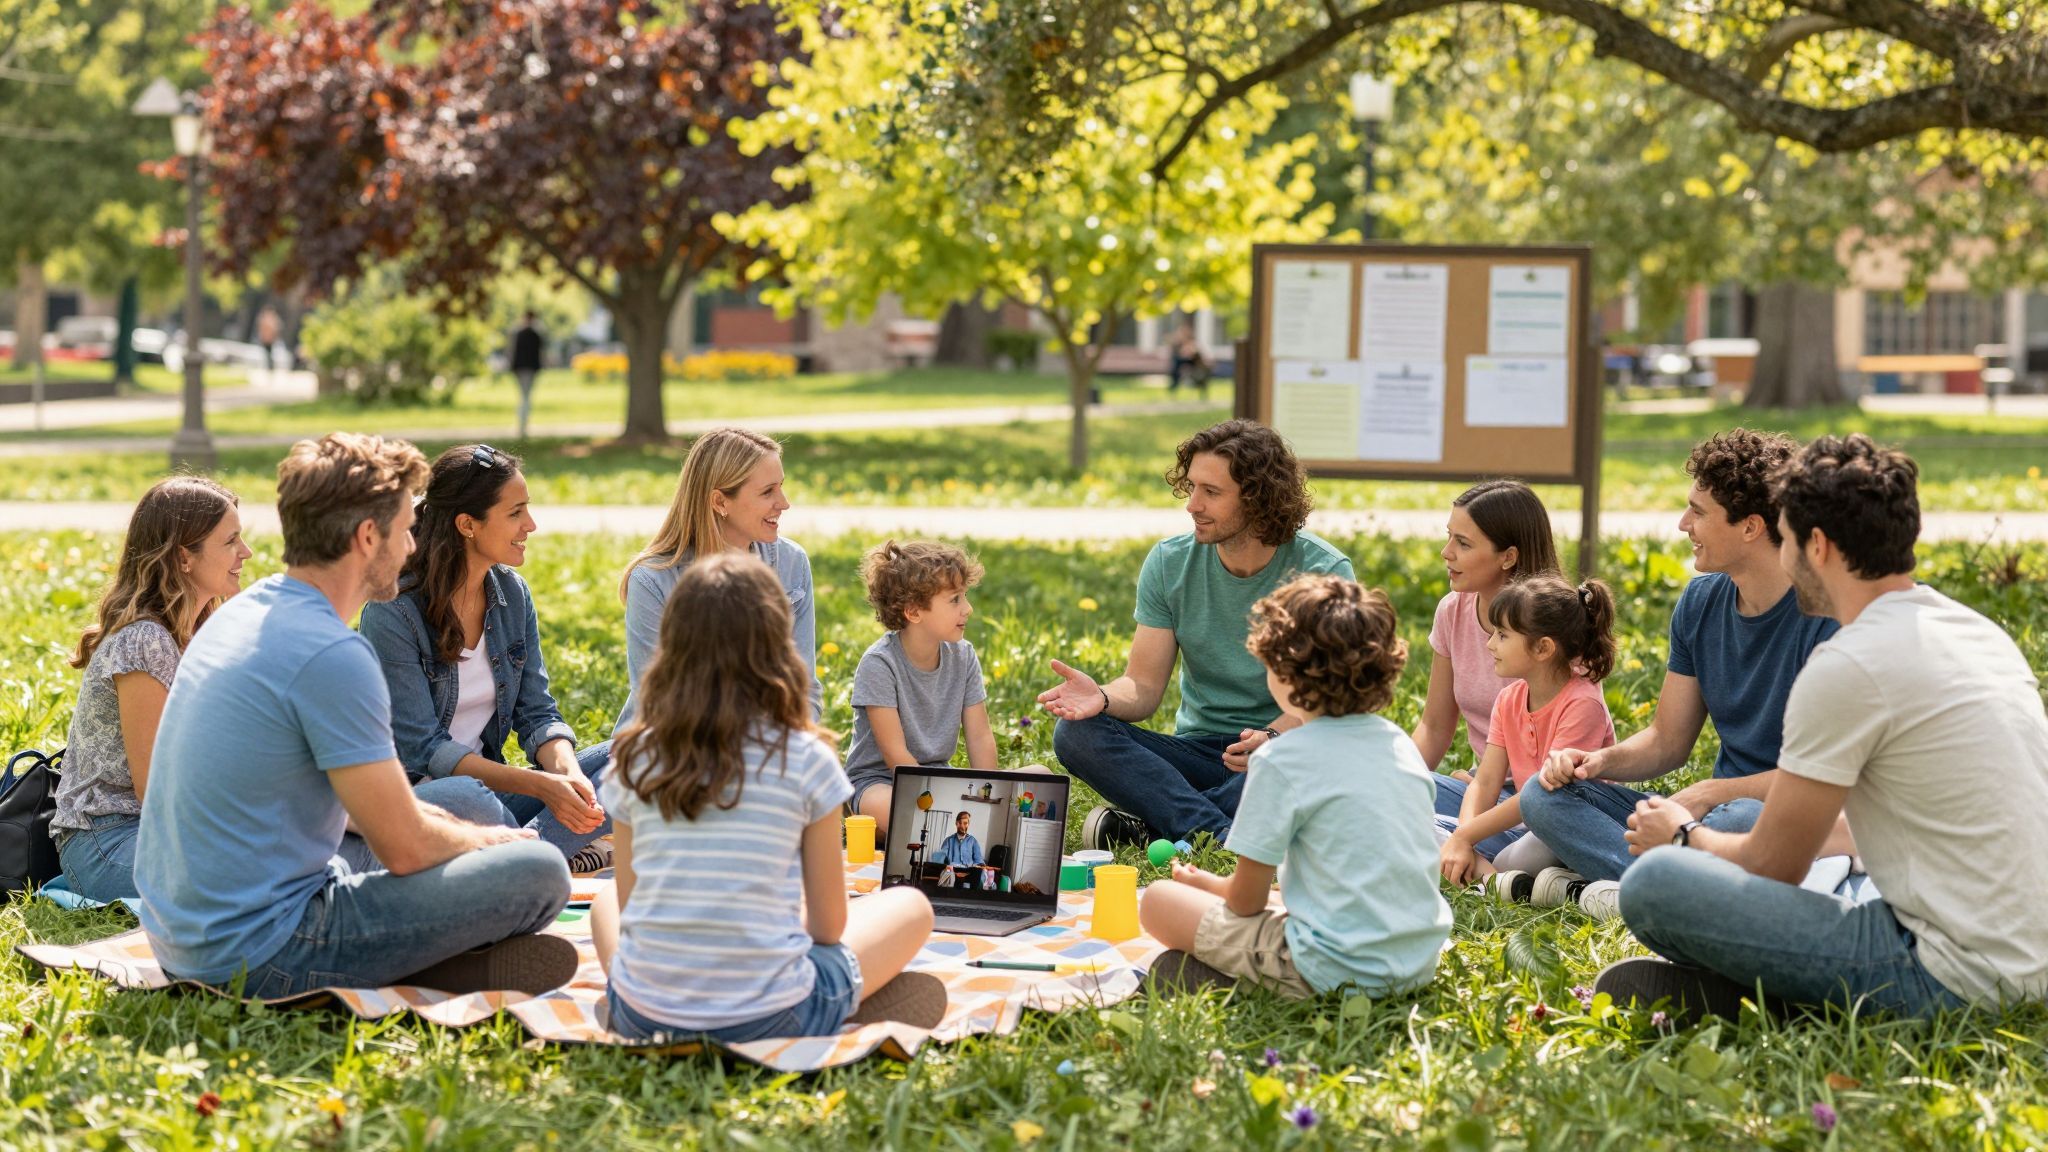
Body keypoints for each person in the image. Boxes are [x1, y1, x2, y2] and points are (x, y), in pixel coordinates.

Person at [1600, 434, 2048, 1020]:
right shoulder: (1974, 631)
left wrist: (1685, 835)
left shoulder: (1847, 664)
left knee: (1653, 885)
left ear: (1816, 546)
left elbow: (1773, 866)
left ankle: (1793, 1001)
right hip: (2027, 953)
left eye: (1785, 537)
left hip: (1951, 973)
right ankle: (1770, 996)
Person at [135, 433, 574, 999]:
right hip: (262, 951)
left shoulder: (241, 614)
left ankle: (422, 959)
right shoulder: (333, 654)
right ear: (369, 537)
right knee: (540, 871)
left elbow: (353, 807)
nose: (414, 546)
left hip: (179, 935)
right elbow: (406, 846)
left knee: (457, 806)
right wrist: (500, 845)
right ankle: (411, 963)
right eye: (405, 529)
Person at [591, 552, 937, 1043]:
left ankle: (645, 1002)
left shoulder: (634, 756)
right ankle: (855, 1001)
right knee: (910, 906)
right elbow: (829, 928)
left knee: (605, 899)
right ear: (778, 646)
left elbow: (630, 908)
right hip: (777, 1016)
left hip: (644, 1015)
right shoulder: (806, 758)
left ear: (673, 646)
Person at [1519, 429, 1838, 913]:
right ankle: (1665, 885)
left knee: (1745, 816)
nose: (1682, 523)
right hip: (1705, 822)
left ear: (1751, 527)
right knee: (1541, 797)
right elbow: (1668, 741)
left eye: (1699, 512)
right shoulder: (1700, 602)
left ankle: (1635, 884)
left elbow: (1821, 778)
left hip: (1771, 816)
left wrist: (1712, 793)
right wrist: (1596, 762)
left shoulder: (1825, 618)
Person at [1041, 420, 1354, 848]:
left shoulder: (1324, 571)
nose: (1192, 505)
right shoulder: (1170, 562)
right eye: (1191, 488)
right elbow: (1144, 686)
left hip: (1281, 750)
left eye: (1212, 491)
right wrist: (1104, 698)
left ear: (1259, 498)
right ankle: (1219, 832)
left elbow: (1328, 699)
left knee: (1312, 764)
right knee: (1078, 735)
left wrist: (1275, 738)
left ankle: (1165, 824)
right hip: (1198, 752)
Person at [1139, 574, 1450, 998]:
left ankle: (1237, 982)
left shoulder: (1280, 759)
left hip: (1337, 970)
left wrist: (1206, 885)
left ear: (1285, 671)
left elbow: (1244, 903)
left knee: (1159, 899)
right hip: (1418, 961)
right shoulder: (1399, 745)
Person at [360, 444, 613, 872]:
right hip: (427, 801)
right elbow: (424, 751)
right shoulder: (393, 611)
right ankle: (542, 853)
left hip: (494, 796)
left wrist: (567, 773)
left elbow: (537, 714)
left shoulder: (511, 594)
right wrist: (542, 785)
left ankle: (525, 856)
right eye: (515, 513)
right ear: (467, 524)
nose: (530, 525)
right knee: (467, 793)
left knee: (634, 755)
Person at [51, 477, 253, 902]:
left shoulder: (200, 631)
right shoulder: (145, 640)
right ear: (184, 557)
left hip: (161, 828)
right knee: (252, 880)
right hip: (108, 839)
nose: (245, 553)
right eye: (231, 541)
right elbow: (155, 788)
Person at [615, 427, 819, 734]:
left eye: (781, 487)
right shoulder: (653, 580)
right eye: (768, 492)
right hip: (671, 752)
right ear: (720, 502)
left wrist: (785, 751)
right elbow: (658, 705)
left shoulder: (791, 563)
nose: (784, 502)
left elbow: (805, 690)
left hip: (770, 748)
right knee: (571, 778)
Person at [1436, 575, 1617, 895]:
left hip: (1560, 829)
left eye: (1502, 635)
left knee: (1524, 854)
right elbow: (1486, 781)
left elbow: (1544, 796)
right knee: (1413, 813)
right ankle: (1498, 879)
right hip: (1521, 826)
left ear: (1543, 648)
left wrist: (1463, 839)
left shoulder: (1583, 704)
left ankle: (1491, 876)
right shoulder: (1510, 698)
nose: (1490, 644)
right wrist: (1465, 836)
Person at [1413, 480, 1561, 812]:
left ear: (1508, 557)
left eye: (1463, 543)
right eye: (1448, 536)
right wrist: (1394, 781)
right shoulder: (1453, 611)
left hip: (1549, 796)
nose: (1446, 552)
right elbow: (1434, 727)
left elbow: (1559, 758)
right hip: (1485, 789)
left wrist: (1481, 796)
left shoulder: (1558, 625)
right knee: (1398, 788)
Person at [842, 540, 997, 824]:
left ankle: (954, 819)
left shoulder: (963, 656)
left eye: (964, 596)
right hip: (881, 782)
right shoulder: (879, 664)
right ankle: (949, 820)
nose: (968, 608)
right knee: (896, 810)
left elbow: (980, 736)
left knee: (1042, 777)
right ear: (913, 612)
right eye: (955, 600)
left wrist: (988, 797)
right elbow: (895, 755)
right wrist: (943, 802)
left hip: (940, 778)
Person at [510, 312, 544, 441]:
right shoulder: (534, 334)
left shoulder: (522, 333)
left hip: (523, 369)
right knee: (525, 397)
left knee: (524, 397)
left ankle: (523, 426)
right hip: (527, 369)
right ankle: (523, 425)